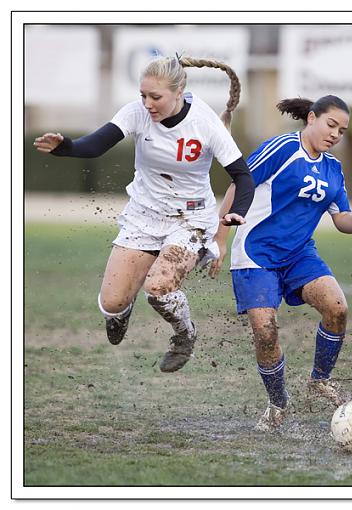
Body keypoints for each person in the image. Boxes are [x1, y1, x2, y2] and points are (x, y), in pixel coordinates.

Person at [34, 55, 255, 373]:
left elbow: (243, 177)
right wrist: (66, 146)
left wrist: (236, 214)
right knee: (111, 303)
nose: (148, 103)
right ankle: (122, 311)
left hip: (189, 220)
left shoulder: (204, 123)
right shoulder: (138, 112)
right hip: (144, 215)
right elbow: (98, 144)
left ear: (179, 92)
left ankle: (184, 335)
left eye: (156, 97)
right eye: (143, 95)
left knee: (159, 287)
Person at [210, 95, 352, 431]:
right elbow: (239, 184)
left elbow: (341, 219)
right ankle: (278, 404)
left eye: (342, 131)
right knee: (266, 334)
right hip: (256, 254)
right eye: (331, 124)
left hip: (300, 255)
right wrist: (220, 237)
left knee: (337, 307)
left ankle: (319, 379)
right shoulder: (281, 148)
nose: (335, 134)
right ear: (311, 118)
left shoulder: (333, 168)